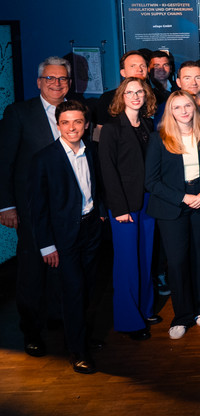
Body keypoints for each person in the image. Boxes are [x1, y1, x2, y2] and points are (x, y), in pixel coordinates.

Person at [0, 56, 72, 358]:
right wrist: (6, 205)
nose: (57, 83)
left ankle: (58, 320)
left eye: (62, 78)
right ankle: (31, 331)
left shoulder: (76, 111)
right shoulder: (18, 113)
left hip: (68, 208)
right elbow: (4, 161)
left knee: (64, 267)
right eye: (50, 78)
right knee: (32, 271)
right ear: (39, 82)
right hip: (31, 207)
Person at [28, 100, 103, 373]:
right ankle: (77, 351)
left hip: (91, 229)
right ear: (58, 125)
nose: (72, 127)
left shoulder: (91, 150)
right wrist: (47, 246)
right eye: (65, 122)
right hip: (63, 236)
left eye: (77, 122)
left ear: (86, 124)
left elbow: (96, 186)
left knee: (89, 288)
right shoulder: (44, 159)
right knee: (73, 291)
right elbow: (38, 207)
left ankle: (81, 335)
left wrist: (100, 214)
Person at [145, 90, 200, 339]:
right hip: (173, 206)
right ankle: (182, 317)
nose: (184, 111)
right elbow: (151, 182)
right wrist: (183, 197)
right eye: (177, 107)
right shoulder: (159, 139)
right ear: (170, 111)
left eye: (187, 106)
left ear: (195, 108)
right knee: (178, 262)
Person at [98, 77, 160, 341]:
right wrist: (118, 208)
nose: (135, 96)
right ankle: (128, 320)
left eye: (140, 92)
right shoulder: (111, 129)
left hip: (148, 203)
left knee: (145, 258)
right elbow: (107, 171)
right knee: (127, 264)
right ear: (121, 97)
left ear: (146, 96)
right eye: (130, 92)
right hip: (124, 205)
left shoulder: (148, 125)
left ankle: (145, 309)